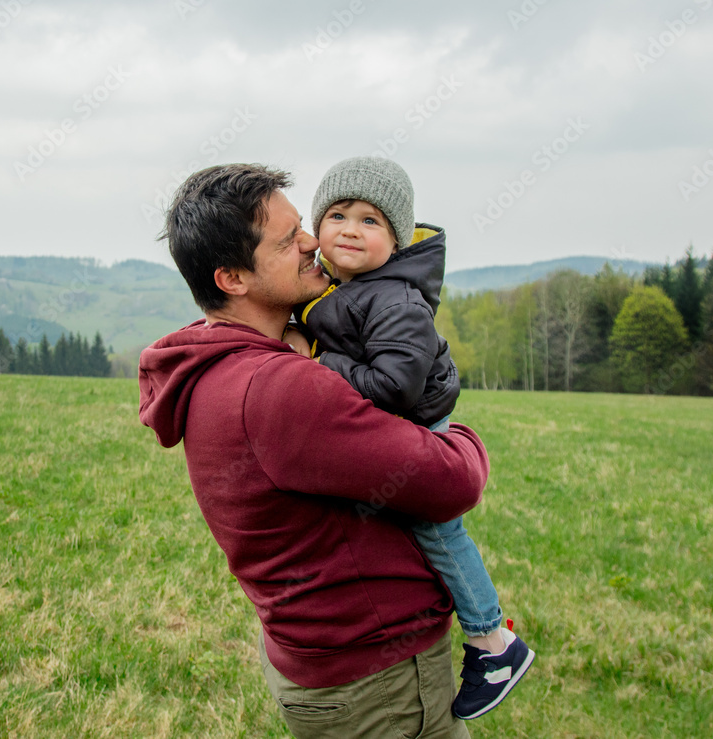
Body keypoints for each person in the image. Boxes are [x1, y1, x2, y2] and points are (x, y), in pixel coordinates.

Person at [138, 163, 488, 738]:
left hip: (326, 663)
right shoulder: (283, 387)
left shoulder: (216, 366)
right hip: (377, 681)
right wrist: (457, 434)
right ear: (232, 278)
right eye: (288, 240)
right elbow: (453, 482)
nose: (312, 244)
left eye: (304, 225)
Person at [292, 156, 535, 720]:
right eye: (338, 214)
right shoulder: (348, 285)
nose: (351, 229)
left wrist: (318, 364)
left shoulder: (397, 299)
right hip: (395, 422)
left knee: (436, 526)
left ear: (397, 241)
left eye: (371, 221)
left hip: (417, 421)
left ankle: (493, 642)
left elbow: (394, 386)